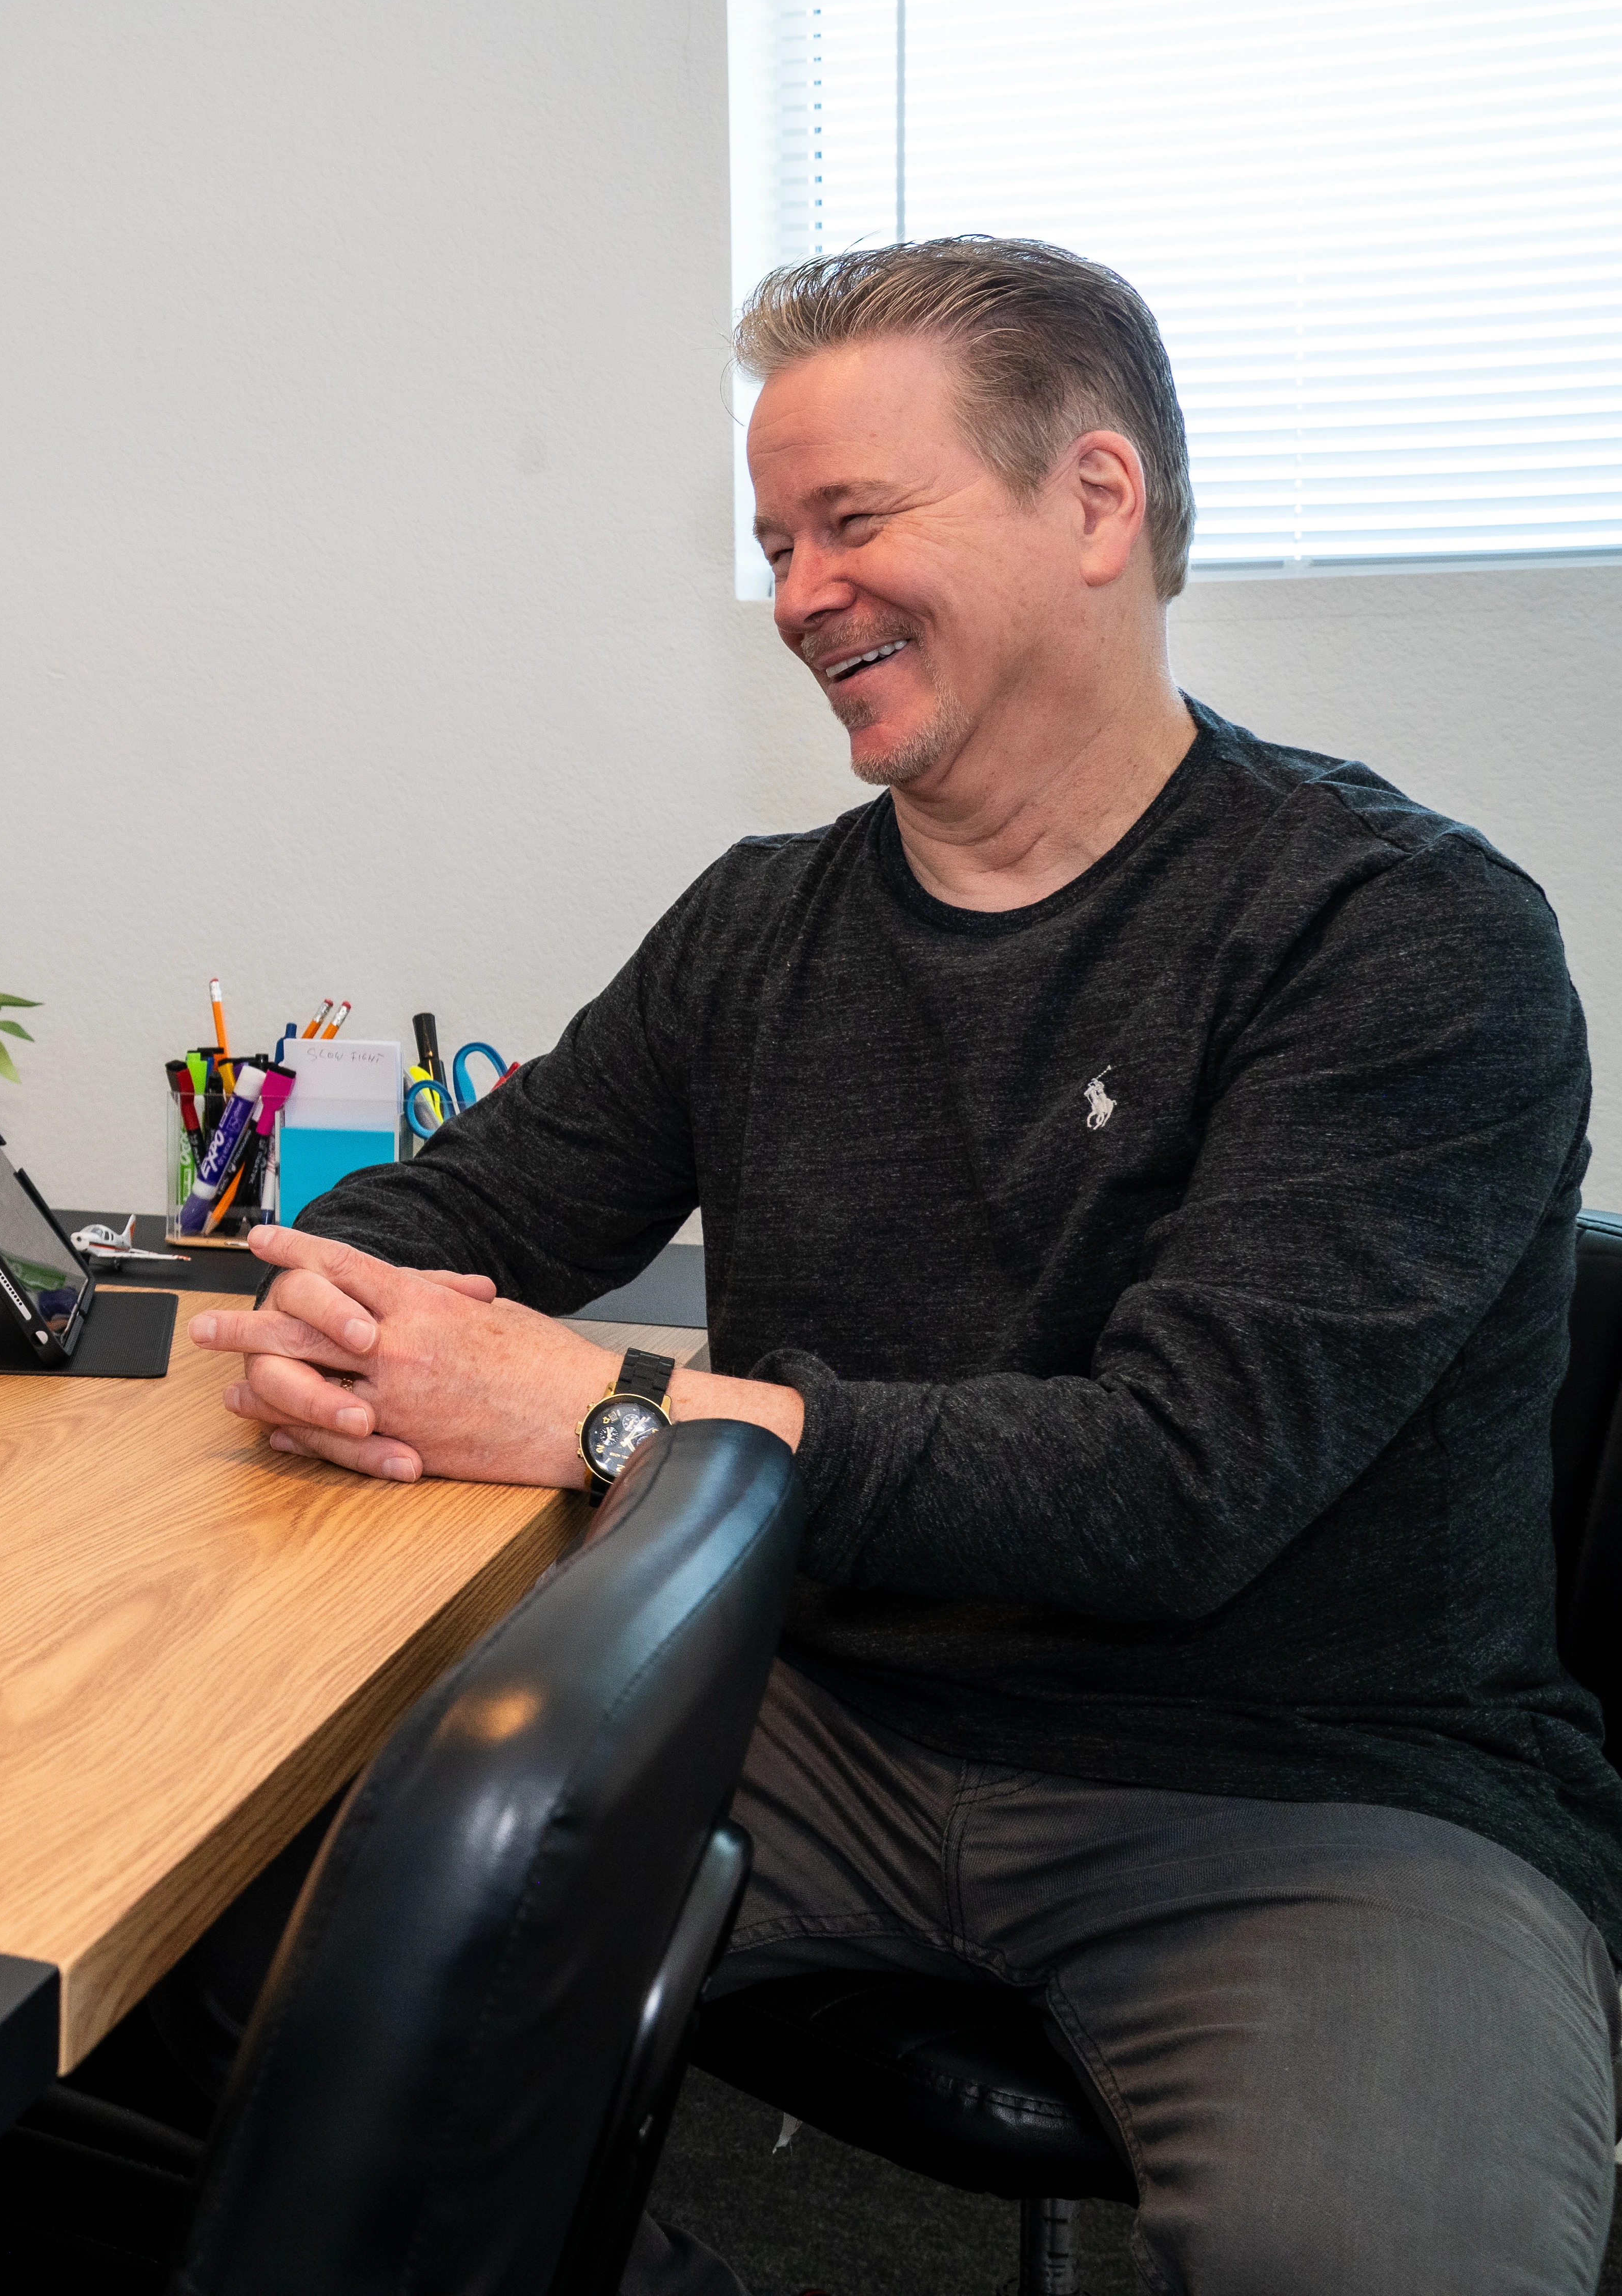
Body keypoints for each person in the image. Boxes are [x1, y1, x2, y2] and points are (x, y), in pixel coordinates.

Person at [195, 240, 1620, 2294]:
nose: (792, 597)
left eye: (852, 521)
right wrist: (339, 1309)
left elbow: (1171, 1487)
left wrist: (604, 1413)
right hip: (821, 1716)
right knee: (278, 1951)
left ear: (1094, 505)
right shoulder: (757, 930)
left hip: (1310, 1790)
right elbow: (460, 1214)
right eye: (775, 542)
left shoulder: (1399, 935)